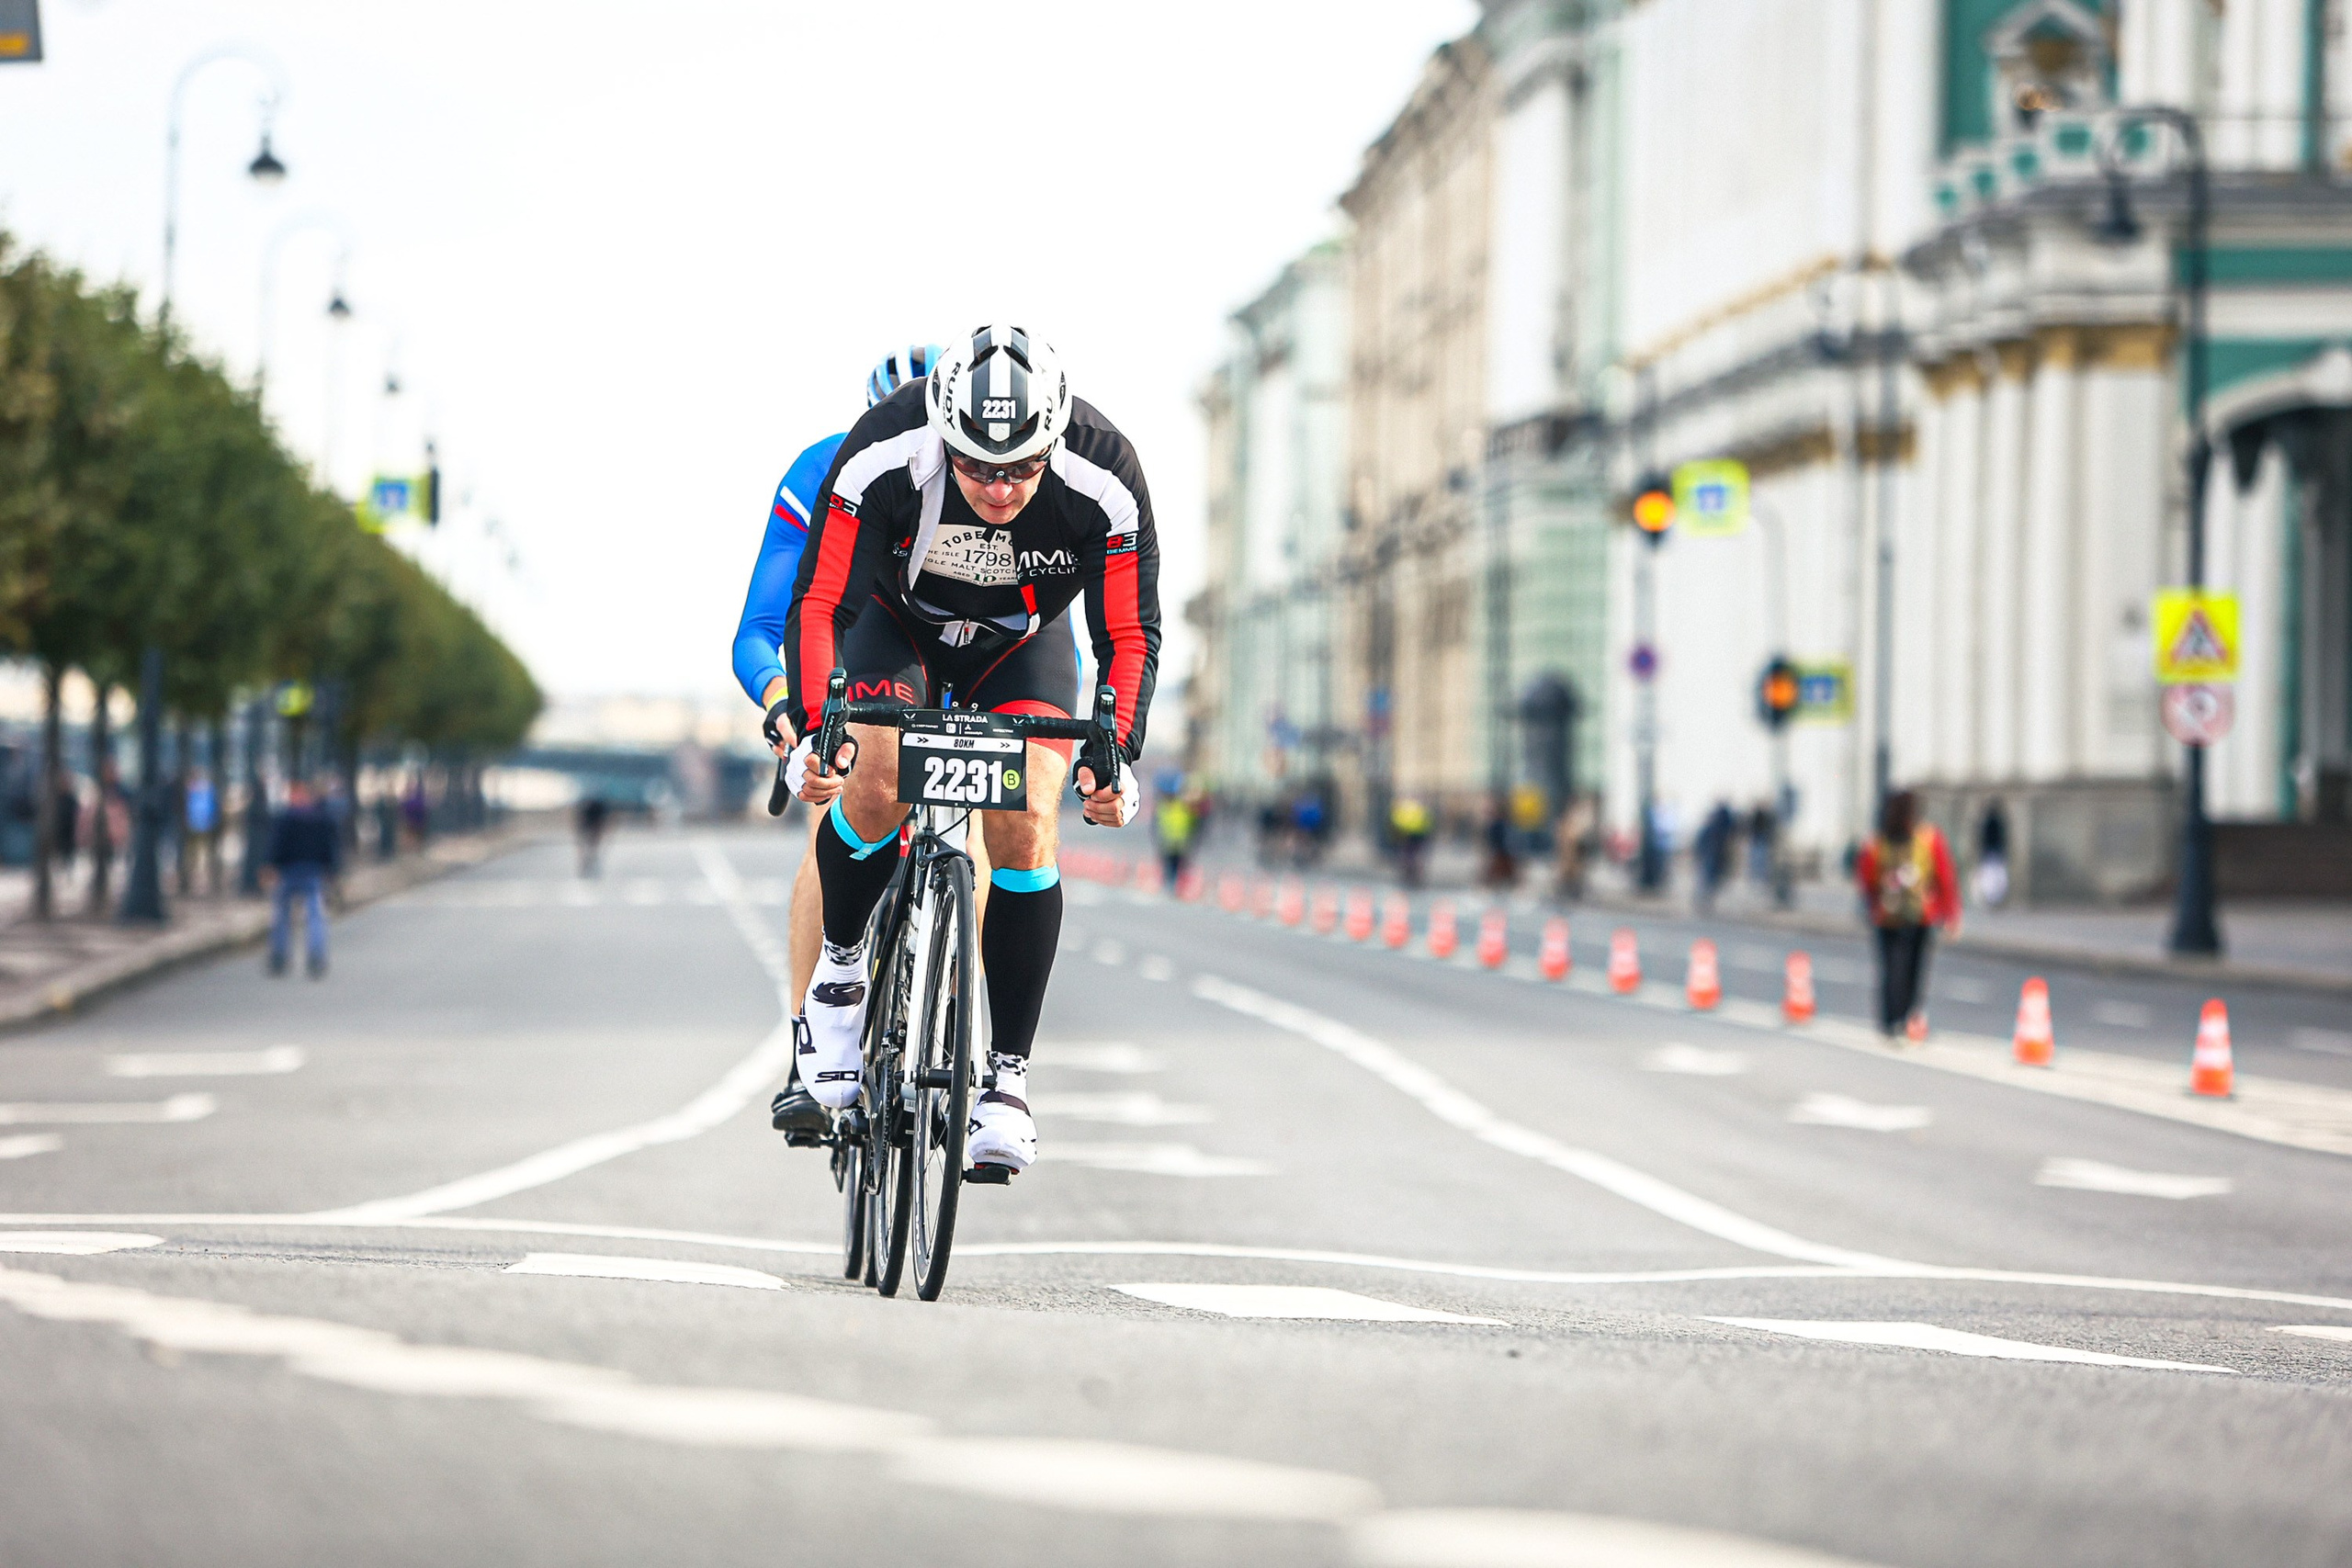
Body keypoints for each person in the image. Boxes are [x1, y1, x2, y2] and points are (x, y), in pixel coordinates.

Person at [785, 323, 1159, 1178]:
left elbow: (1130, 628)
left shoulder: (1106, 471)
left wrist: (1116, 754)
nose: (999, 487)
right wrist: (819, 727)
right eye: (977, 467)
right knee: (876, 777)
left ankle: (1008, 1081)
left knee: (1028, 818)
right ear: (944, 436)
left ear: (1055, 440)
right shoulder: (884, 447)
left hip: (1018, 641)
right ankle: (840, 978)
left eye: (1023, 467)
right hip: (897, 625)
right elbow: (819, 603)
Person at [733, 344, 945, 1144]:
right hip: (864, 652)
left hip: (956, 659)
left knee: (986, 828)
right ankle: (807, 1047)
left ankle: (946, 1023)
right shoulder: (827, 470)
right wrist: (787, 704)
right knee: (838, 820)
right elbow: (759, 626)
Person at [1855, 789, 1959, 1043]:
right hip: (1920, 915)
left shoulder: (1877, 842)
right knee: (1914, 970)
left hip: (1886, 916)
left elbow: (1866, 878)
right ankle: (1909, 1018)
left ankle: (1891, 1021)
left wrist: (1872, 905)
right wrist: (1950, 913)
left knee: (1890, 969)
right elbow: (1944, 877)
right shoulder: (1929, 838)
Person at [264, 778, 341, 978]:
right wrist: (331, 871)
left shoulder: (286, 818)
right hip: (312, 871)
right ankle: (315, 955)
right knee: (314, 915)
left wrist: (272, 866)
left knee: (283, 914)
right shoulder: (321, 818)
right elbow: (330, 848)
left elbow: (277, 845)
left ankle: (280, 955)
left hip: (291, 871)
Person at [1152, 779, 1195, 893]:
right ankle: (1171, 885)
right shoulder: (1167, 807)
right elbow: (1157, 824)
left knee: (1177, 866)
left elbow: (1192, 823)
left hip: (1179, 843)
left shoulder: (1182, 807)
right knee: (1170, 866)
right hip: (1169, 842)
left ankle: (1175, 886)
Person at [1694, 799, 1736, 913]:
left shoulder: (1714, 829)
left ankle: (1704, 901)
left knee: (1708, 881)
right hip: (1711, 858)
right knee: (1707, 881)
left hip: (1713, 858)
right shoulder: (1712, 829)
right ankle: (1703, 901)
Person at [1390, 795, 1433, 888]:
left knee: (1407, 855)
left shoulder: (1404, 807)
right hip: (1420, 834)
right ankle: (1417, 873)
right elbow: (1428, 821)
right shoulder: (1421, 808)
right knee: (1417, 854)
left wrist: (1397, 832)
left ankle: (1409, 872)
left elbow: (1397, 820)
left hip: (1407, 834)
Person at [1974, 797, 2010, 908]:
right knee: (1993, 877)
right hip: (1993, 852)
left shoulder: (1989, 822)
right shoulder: (1994, 822)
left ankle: (1994, 899)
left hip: (1992, 852)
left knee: (1993, 877)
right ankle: (1993, 899)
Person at [575, 794, 610, 877]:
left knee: (590, 845)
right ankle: (587, 864)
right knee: (588, 845)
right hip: (590, 818)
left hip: (593, 816)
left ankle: (589, 863)